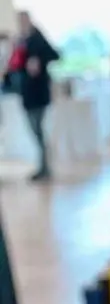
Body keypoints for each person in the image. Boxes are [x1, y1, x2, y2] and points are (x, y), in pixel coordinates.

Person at [4, 12, 59, 182]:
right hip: (27, 93)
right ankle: (43, 166)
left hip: (38, 93)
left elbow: (55, 55)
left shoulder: (38, 39)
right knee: (35, 131)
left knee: (38, 130)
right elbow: (15, 65)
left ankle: (45, 167)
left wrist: (38, 61)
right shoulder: (21, 41)